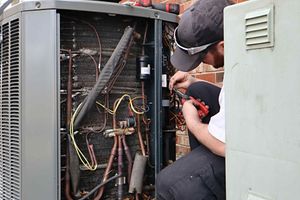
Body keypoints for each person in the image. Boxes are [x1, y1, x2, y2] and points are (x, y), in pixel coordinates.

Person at [156, 0, 234, 199]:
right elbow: (233, 97)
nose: (200, 63)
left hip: (249, 152)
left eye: (201, 58)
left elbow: (224, 146)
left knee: (167, 184)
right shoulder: (243, 55)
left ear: (223, 45)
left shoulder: (243, 71)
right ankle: (203, 168)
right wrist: (193, 81)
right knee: (198, 89)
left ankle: (202, 179)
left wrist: (192, 122)